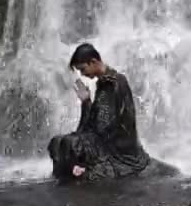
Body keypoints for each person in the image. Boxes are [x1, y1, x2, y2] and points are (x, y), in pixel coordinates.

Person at [47, 43, 154, 181]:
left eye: (83, 69)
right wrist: (86, 101)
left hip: (117, 147)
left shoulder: (115, 82)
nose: (83, 74)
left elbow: (103, 127)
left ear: (93, 62)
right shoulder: (103, 83)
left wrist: (86, 105)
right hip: (104, 138)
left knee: (69, 143)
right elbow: (99, 123)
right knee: (57, 143)